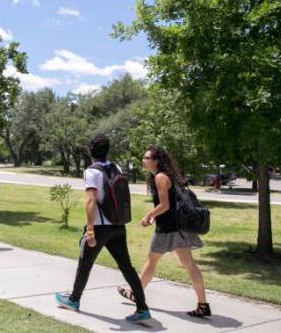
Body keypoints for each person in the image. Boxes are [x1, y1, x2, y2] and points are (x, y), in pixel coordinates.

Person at [55, 133, 151, 323]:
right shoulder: (115, 167)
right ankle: (143, 309)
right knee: (127, 268)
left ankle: (74, 300)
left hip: (100, 227)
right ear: (107, 150)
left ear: (90, 150)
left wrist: (90, 230)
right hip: (118, 225)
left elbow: (91, 200)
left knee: (85, 263)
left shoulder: (92, 171)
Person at [117, 145, 210, 318]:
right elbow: (169, 205)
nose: (143, 161)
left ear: (156, 161)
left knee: (151, 261)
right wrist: (155, 216)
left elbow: (164, 205)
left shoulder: (160, 177)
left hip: (168, 229)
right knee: (189, 265)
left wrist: (148, 216)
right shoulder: (166, 176)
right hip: (179, 228)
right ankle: (203, 305)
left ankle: (135, 294)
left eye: (146, 158)